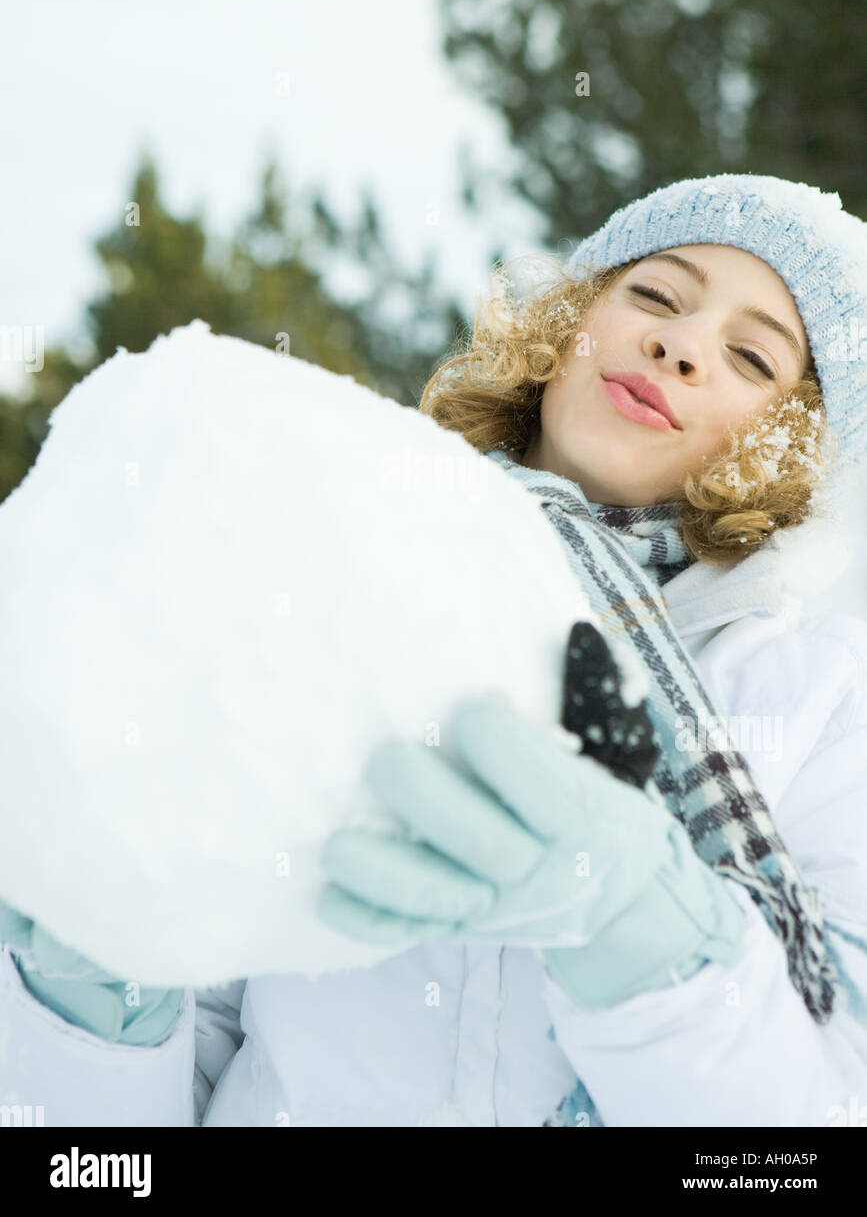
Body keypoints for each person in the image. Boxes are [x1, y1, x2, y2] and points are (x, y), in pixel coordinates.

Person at [2, 172, 867, 1127]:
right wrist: (92, 1004)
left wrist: (637, 922)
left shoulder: (822, 694)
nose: (679, 342)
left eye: (751, 357)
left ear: (796, 445)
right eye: (654, 295)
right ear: (567, 326)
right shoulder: (333, 571)